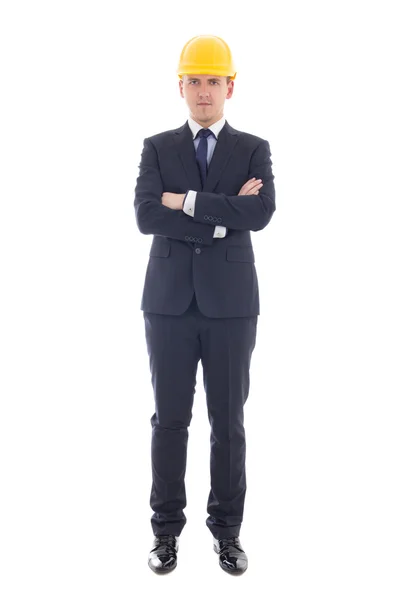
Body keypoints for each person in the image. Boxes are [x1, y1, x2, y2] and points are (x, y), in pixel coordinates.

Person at [133, 34, 276, 575]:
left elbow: (260, 212)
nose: (203, 92)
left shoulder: (253, 148)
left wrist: (187, 202)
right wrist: (223, 214)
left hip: (232, 307)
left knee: (228, 424)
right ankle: (165, 532)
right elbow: (147, 215)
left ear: (230, 87)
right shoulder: (157, 147)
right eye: (194, 81)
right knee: (169, 421)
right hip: (168, 305)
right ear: (181, 87)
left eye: (213, 81)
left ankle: (228, 534)